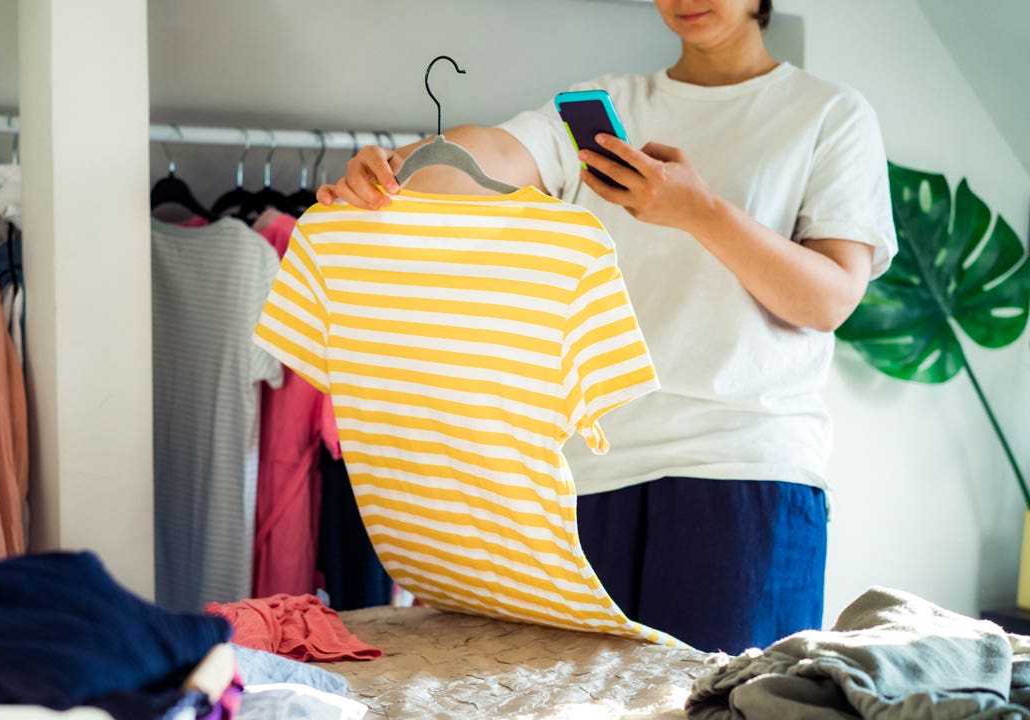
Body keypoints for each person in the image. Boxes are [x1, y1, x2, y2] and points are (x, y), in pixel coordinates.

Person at [315, 0, 896, 654]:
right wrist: (404, 168)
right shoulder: (606, 103)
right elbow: (499, 154)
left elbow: (829, 300)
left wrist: (697, 210)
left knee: (727, 696)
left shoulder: (829, 113)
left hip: (744, 467)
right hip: (591, 476)